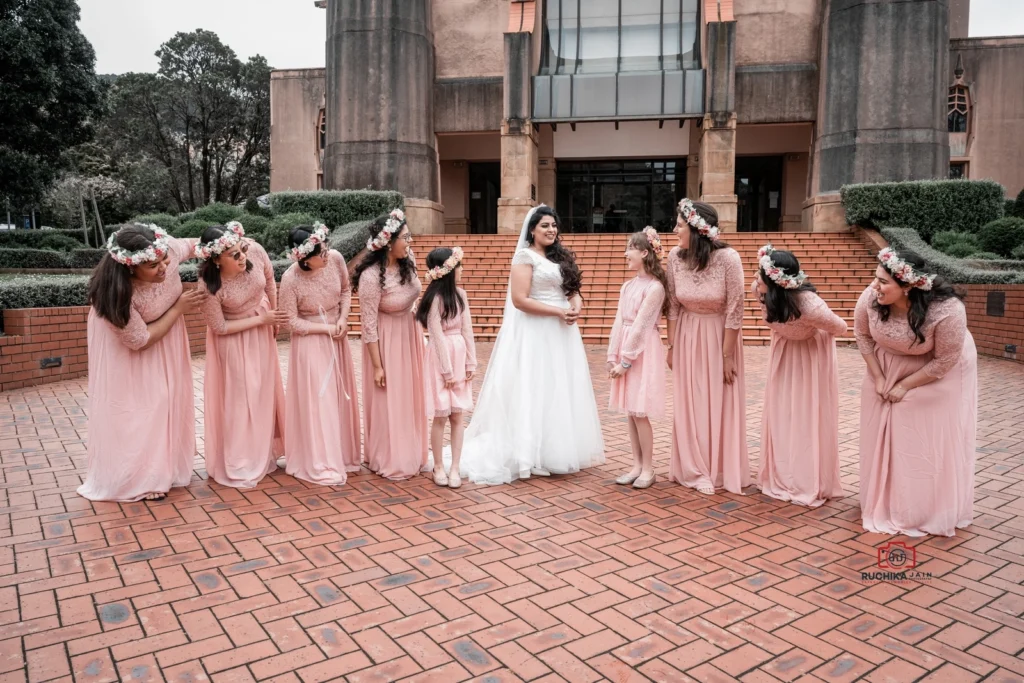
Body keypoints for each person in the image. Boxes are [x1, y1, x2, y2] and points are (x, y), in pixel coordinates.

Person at [459, 205, 605, 484]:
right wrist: (558, 312)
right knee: (535, 386)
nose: (551, 230)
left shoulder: (559, 257)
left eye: (554, 225)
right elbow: (520, 300)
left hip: (562, 333)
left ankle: (554, 449)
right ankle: (529, 454)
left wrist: (575, 306)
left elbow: (572, 291)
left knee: (558, 387)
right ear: (532, 230)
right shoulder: (524, 257)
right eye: (545, 226)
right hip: (536, 331)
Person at [78, 223, 205, 502]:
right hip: (128, 353)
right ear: (129, 268)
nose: (162, 268)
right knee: (140, 408)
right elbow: (139, 340)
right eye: (152, 266)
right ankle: (139, 477)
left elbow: (196, 245)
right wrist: (179, 308)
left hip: (167, 341)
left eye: (164, 260)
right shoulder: (113, 295)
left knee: (166, 401)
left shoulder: (164, 248)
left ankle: (165, 468)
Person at [855, 248, 977, 537]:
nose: (874, 286)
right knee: (879, 424)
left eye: (883, 282)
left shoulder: (946, 311)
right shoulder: (872, 297)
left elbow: (945, 360)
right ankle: (883, 498)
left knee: (918, 433)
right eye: (875, 278)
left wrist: (904, 386)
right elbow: (861, 334)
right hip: (886, 364)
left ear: (908, 287)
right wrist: (878, 376)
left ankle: (922, 506)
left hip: (938, 371)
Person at [666, 199, 750, 495]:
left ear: (696, 229)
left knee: (717, 399)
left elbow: (735, 310)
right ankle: (691, 465)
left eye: (679, 225)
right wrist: (672, 345)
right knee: (689, 401)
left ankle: (718, 468)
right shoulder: (675, 257)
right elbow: (673, 305)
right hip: (688, 334)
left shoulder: (729, 258)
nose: (674, 229)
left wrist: (727, 356)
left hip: (720, 337)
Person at [753, 244, 846, 507]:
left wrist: (811, 331)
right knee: (782, 413)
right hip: (783, 356)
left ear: (775, 280)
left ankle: (806, 478)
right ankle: (780, 471)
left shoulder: (809, 305)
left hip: (809, 359)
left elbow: (840, 327)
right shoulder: (764, 293)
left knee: (805, 415)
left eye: (760, 274)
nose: (755, 279)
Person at [197, 222, 285, 489]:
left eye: (241, 249)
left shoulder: (255, 251)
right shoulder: (208, 286)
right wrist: (260, 321)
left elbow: (269, 280)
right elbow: (219, 327)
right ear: (215, 260)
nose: (242, 256)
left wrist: (274, 317)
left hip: (262, 332)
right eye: (234, 255)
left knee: (261, 394)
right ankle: (241, 458)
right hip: (234, 342)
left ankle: (264, 451)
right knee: (240, 399)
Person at [276, 224, 361, 486]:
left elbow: (346, 290)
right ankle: (319, 459)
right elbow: (290, 321)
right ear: (303, 258)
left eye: (325, 248)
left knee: (337, 397)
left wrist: (344, 319)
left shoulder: (335, 260)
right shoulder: (291, 279)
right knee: (319, 400)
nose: (326, 254)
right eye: (319, 253)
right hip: (311, 343)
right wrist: (325, 328)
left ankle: (341, 454)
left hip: (337, 335)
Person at [354, 210, 428, 480]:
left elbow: (415, 293)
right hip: (385, 343)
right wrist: (377, 366)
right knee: (390, 399)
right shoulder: (370, 277)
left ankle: (413, 451)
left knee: (409, 396)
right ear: (388, 242)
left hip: (409, 334)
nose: (409, 242)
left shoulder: (409, 259)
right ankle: (390, 456)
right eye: (405, 237)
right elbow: (368, 325)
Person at [607, 228, 668, 490]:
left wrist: (626, 361)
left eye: (630, 248)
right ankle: (635, 464)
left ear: (644, 253)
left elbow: (642, 325)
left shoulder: (655, 288)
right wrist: (613, 355)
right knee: (631, 412)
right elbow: (619, 321)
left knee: (640, 411)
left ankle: (648, 468)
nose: (625, 253)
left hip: (642, 351)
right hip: (626, 348)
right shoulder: (627, 286)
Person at [416, 247, 477, 489]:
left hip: (459, 354)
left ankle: (455, 466)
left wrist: (471, 361)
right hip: (442, 360)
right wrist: (447, 371)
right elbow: (437, 335)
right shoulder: (435, 299)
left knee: (458, 415)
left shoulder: (461, 295)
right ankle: (438, 465)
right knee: (441, 415)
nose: (462, 270)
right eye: (458, 265)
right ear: (448, 269)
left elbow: (467, 330)